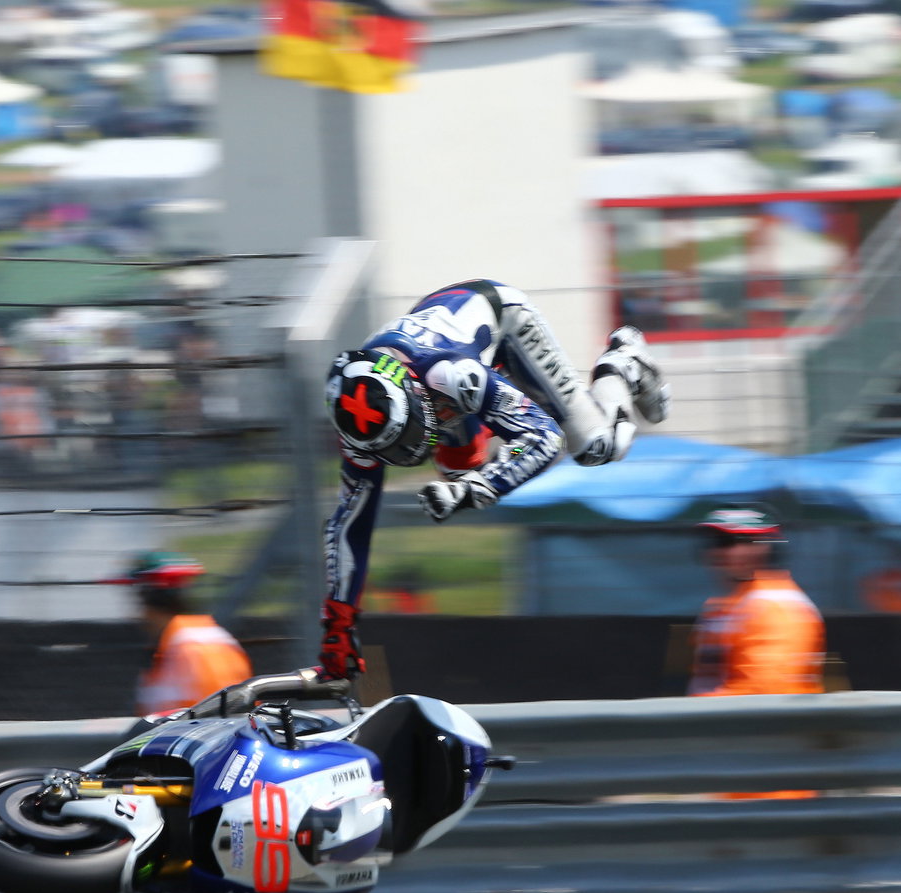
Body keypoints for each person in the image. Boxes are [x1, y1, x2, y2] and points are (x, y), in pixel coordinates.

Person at [318, 279, 671, 677]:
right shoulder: (357, 431)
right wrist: (338, 622)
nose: (413, 451)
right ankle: (500, 407)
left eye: (411, 432)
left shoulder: (452, 373)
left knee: (596, 446)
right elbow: (349, 523)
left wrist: (475, 490)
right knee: (457, 468)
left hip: (503, 323)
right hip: (442, 343)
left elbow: (544, 439)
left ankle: (622, 361)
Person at [688, 505, 825, 800]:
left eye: (727, 543)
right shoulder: (725, 606)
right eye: (713, 544)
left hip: (776, 783)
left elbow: (765, 691)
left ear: (760, 548)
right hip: (735, 772)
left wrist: (687, 719)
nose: (717, 554)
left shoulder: (777, 608)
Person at [106, 551, 252, 716]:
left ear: (147, 602)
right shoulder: (177, 647)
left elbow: (221, 721)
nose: (134, 615)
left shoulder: (195, 650)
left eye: (137, 602)